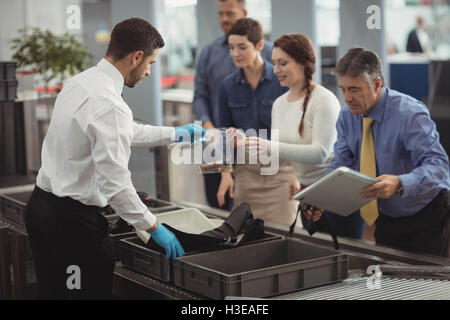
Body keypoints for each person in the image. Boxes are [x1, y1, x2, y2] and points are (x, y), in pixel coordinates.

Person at [24, 18, 205, 299]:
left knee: (53, 292)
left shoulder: (81, 82)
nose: (148, 73)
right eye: (150, 63)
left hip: (41, 209)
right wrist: (153, 226)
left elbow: (121, 132)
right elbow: (116, 184)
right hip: (72, 228)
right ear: (136, 57)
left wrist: (175, 134)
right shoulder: (109, 103)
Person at [304, 47, 450, 256]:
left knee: (425, 283)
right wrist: (321, 197)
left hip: (425, 216)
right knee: (390, 279)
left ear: (377, 83)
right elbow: (341, 165)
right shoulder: (347, 117)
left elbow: (440, 168)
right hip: (385, 217)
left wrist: (400, 182)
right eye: (343, 89)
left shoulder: (410, 114)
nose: (347, 97)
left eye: (354, 89)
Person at [246, 34, 341, 227]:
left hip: (332, 192)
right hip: (306, 193)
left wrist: (269, 147)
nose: (276, 70)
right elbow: (281, 156)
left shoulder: (324, 100)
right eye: (274, 63)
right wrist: (244, 144)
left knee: (341, 254)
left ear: (302, 63)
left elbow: (320, 153)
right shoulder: (279, 104)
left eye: (282, 63)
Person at [193, 0, 273, 210]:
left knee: (256, 208)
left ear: (244, 12)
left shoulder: (270, 52)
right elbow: (199, 95)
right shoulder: (208, 53)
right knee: (217, 204)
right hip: (214, 139)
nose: (224, 19)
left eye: (229, 13)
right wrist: (208, 125)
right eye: (220, 14)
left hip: (259, 146)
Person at [215, 18, 295, 225]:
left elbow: (296, 132)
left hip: (281, 171)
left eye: (242, 47)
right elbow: (223, 133)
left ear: (259, 45)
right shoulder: (227, 87)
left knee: (287, 233)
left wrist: (296, 174)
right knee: (247, 233)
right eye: (232, 47)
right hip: (246, 174)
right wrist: (226, 174)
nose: (235, 53)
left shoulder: (282, 81)